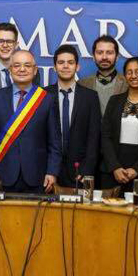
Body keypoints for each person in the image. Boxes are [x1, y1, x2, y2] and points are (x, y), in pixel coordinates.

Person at [0, 50, 61, 193]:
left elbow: (54, 142)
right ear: (10, 70)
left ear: (35, 70)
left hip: (38, 176)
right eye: (16, 65)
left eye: (27, 65)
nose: (22, 69)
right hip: (1, 175)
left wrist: (52, 171)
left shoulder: (47, 99)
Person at [46, 45, 101, 188]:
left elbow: (94, 137)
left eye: (70, 63)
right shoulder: (43, 95)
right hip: (48, 171)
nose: (65, 66)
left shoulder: (90, 97)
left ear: (77, 67)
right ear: (54, 67)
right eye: (61, 62)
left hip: (79, 171)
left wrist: (87, 168)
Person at [101, 57, 138, 194]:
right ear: (125, 76)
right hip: (113, 172)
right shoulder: (114, 101)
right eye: (129, 72)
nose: (133, 76)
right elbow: (105, 136)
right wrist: (115, 167)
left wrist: (137, 169)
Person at [78, 35, 127, 115]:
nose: (104, 57)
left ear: (117, 57)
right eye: (100, 53)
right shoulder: (82, 84)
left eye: (109, 53)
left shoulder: (128, 84)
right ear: (93, 57)